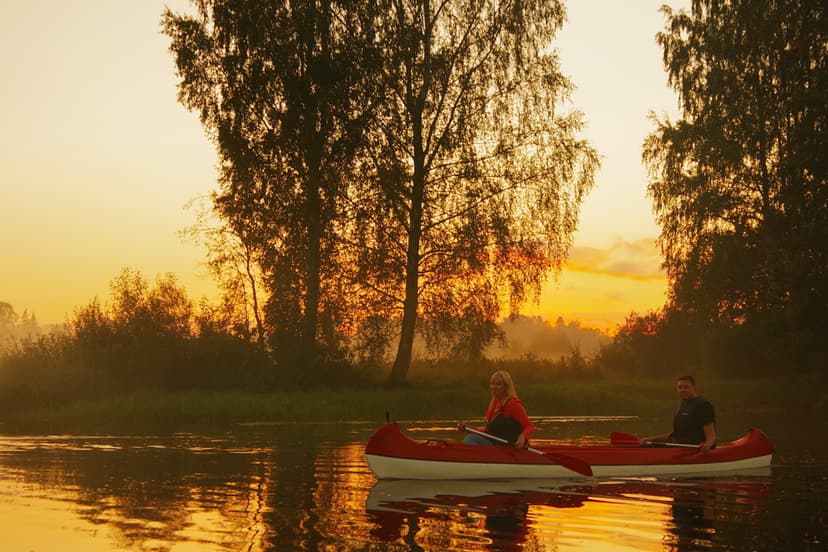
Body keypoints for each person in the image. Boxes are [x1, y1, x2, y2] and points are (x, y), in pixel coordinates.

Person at [458, 370, 535, 448]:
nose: (494, 387)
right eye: (492, 384)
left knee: (470, 438)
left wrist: (523, 436)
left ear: (506, 387)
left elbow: (529, 427)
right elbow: (488, 431)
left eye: (498, 384)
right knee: (471, 436)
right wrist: (470, 429)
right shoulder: (493, 403)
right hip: (496, 444)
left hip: (509, 447)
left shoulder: (512, 403)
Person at [644, 375, 716, 452]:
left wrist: (706, 446)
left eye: (686, 387)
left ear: (694, 388)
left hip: (695, 451)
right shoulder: (679, 405)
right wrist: (648, 440)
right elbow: (675, 435)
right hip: (679, 449)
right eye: (680, 387)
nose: (682, 390)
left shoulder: (702, 405)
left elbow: (711, 437)